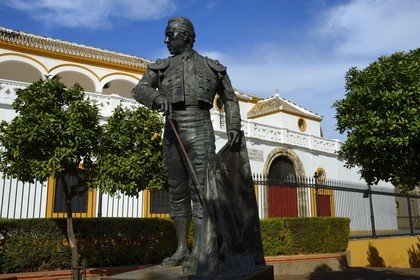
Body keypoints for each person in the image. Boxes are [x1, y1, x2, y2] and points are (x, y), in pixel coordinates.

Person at [131, 16, 241, 274]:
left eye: (170, 35)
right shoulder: (162, 66)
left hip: (201, 128)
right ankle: (182, 247)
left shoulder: (212, 66)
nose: (166, 40)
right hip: (172, 129)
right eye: (166, 35)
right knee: (177, 192)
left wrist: (233, 126)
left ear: (187, 36)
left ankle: (201, 251)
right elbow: (139, 89)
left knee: (200, 192)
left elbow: (230, 99)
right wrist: (156, 97)